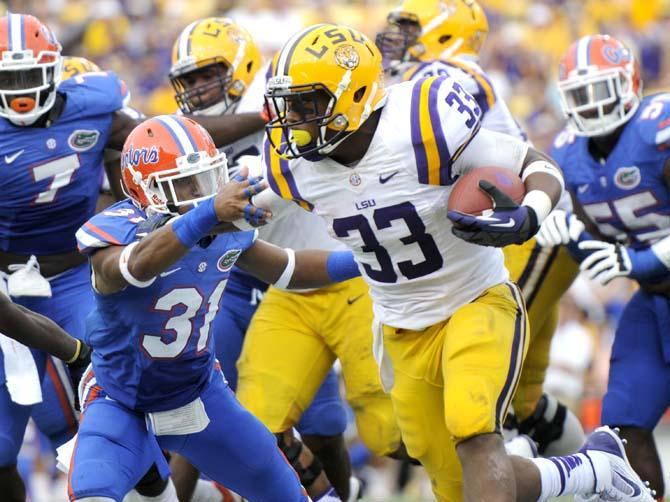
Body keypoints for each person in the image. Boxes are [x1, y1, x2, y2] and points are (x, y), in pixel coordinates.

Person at [254, 22, 653, 501]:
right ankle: (595, 470)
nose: (292, 118)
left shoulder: (422, 119)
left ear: (354, 94)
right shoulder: (290, 166)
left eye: (306, 103)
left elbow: (535, 163)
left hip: (474, 299)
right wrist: (207, 227)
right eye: (288, 104)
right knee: (466, 484)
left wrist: (531, 213)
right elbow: (277, 259)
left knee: (473, 424)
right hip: (401, 326)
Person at [0, 12, 266, 500]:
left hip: (74, 273)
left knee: (114, 398)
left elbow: (168, 139)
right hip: (7, 282)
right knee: (2, 447)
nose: (18, 91)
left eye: (27, 75)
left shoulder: (96, 107)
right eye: (6, 79)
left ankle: (174, 489)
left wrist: (264, 118)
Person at [68, 114, 361, 502]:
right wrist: (206, 215)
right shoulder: (117, 230)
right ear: (150, 190)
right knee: (93, 493)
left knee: (285, 493)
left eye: (206, 178)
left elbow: (288, 268)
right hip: (120, 398)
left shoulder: (219, 232)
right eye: (186, 182)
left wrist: (365, 259)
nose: (203, 192)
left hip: (199, 392)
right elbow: (136, 266)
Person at [169, 17, 401, 501]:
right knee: (204, 400)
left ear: (243, 66)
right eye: (187, 80)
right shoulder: (239, 118)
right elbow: (186, 130)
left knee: (323, 425)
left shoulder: (291, 97)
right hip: (236, 278)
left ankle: (341, 492)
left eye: (205, 74)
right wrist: (261, 118)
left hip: (307, 278)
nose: (196, 88)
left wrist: (271, 116)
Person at [376, 0, 585, 457]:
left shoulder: (446, 76)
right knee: (525, 403)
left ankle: (567, 478)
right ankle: (598, 468)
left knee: (483, 398)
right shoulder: (431, 77)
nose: (398, 36)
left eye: (410, 25)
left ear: (448, 31)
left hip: (527, 234)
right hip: (525, 238)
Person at [537, 33, 670, 500]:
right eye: (581, 95)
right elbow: (599, 251)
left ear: (629, 83)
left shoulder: (658, 128)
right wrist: (569, 235)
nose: (591, 107)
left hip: (652, 277)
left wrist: (639, 260)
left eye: (601, 91)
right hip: (653, 300)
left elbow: (625, 259)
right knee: (622, 426)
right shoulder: (570, 152)